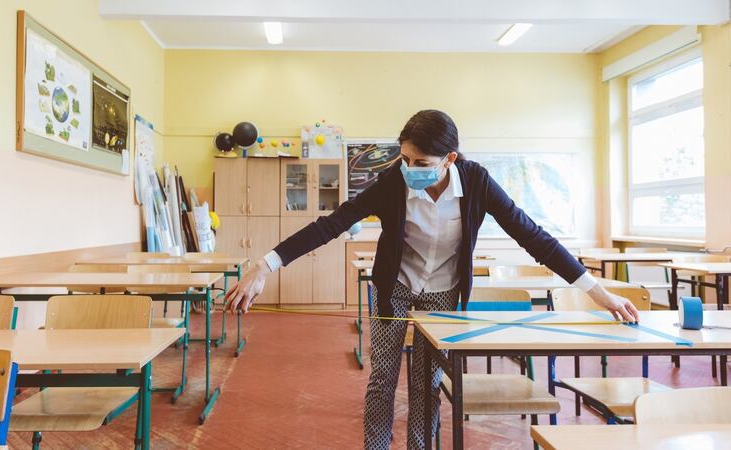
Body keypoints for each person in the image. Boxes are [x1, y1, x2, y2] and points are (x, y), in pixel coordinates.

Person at [225, 109, 639, 449]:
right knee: (383, 377)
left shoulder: (477, 181)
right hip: (394, 289)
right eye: (404, 159)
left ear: (450, 159)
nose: (409, 169)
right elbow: (332, 224)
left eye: (420, 164)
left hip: (442, 293)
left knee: (427, 382)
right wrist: (266, 265)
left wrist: (596, 292)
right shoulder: (393, 181)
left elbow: (532, 235)